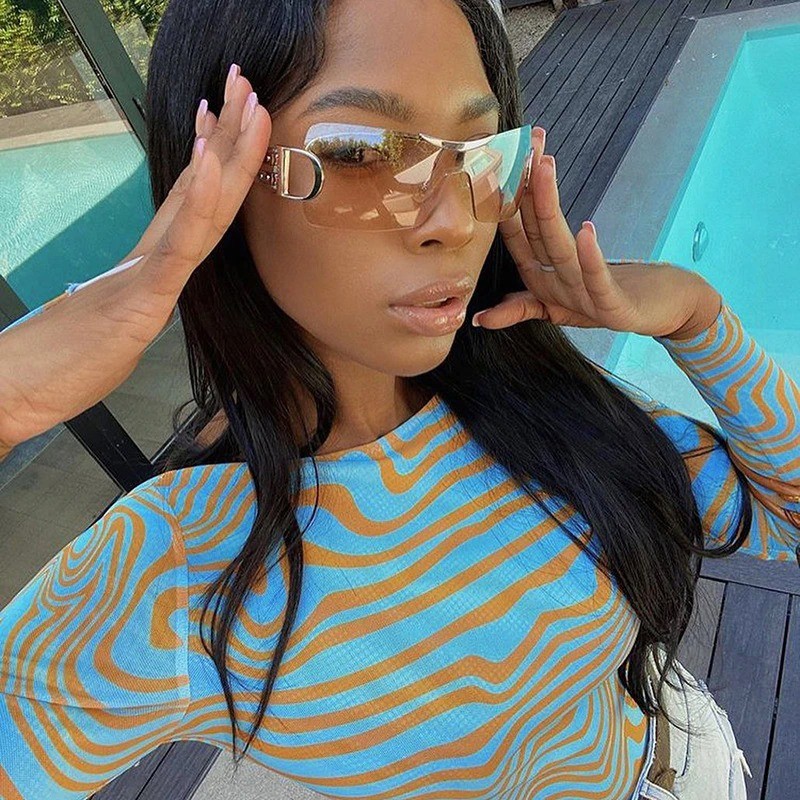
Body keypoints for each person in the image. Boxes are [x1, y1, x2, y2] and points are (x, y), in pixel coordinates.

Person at [0, 1, 797, 798]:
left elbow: (784, 521)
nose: (453, 219)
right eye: (358, 153)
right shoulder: (178, 562)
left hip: (685, 763)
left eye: (478, 152)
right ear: (221, 185)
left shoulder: (543, 403)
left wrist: (698, 317)